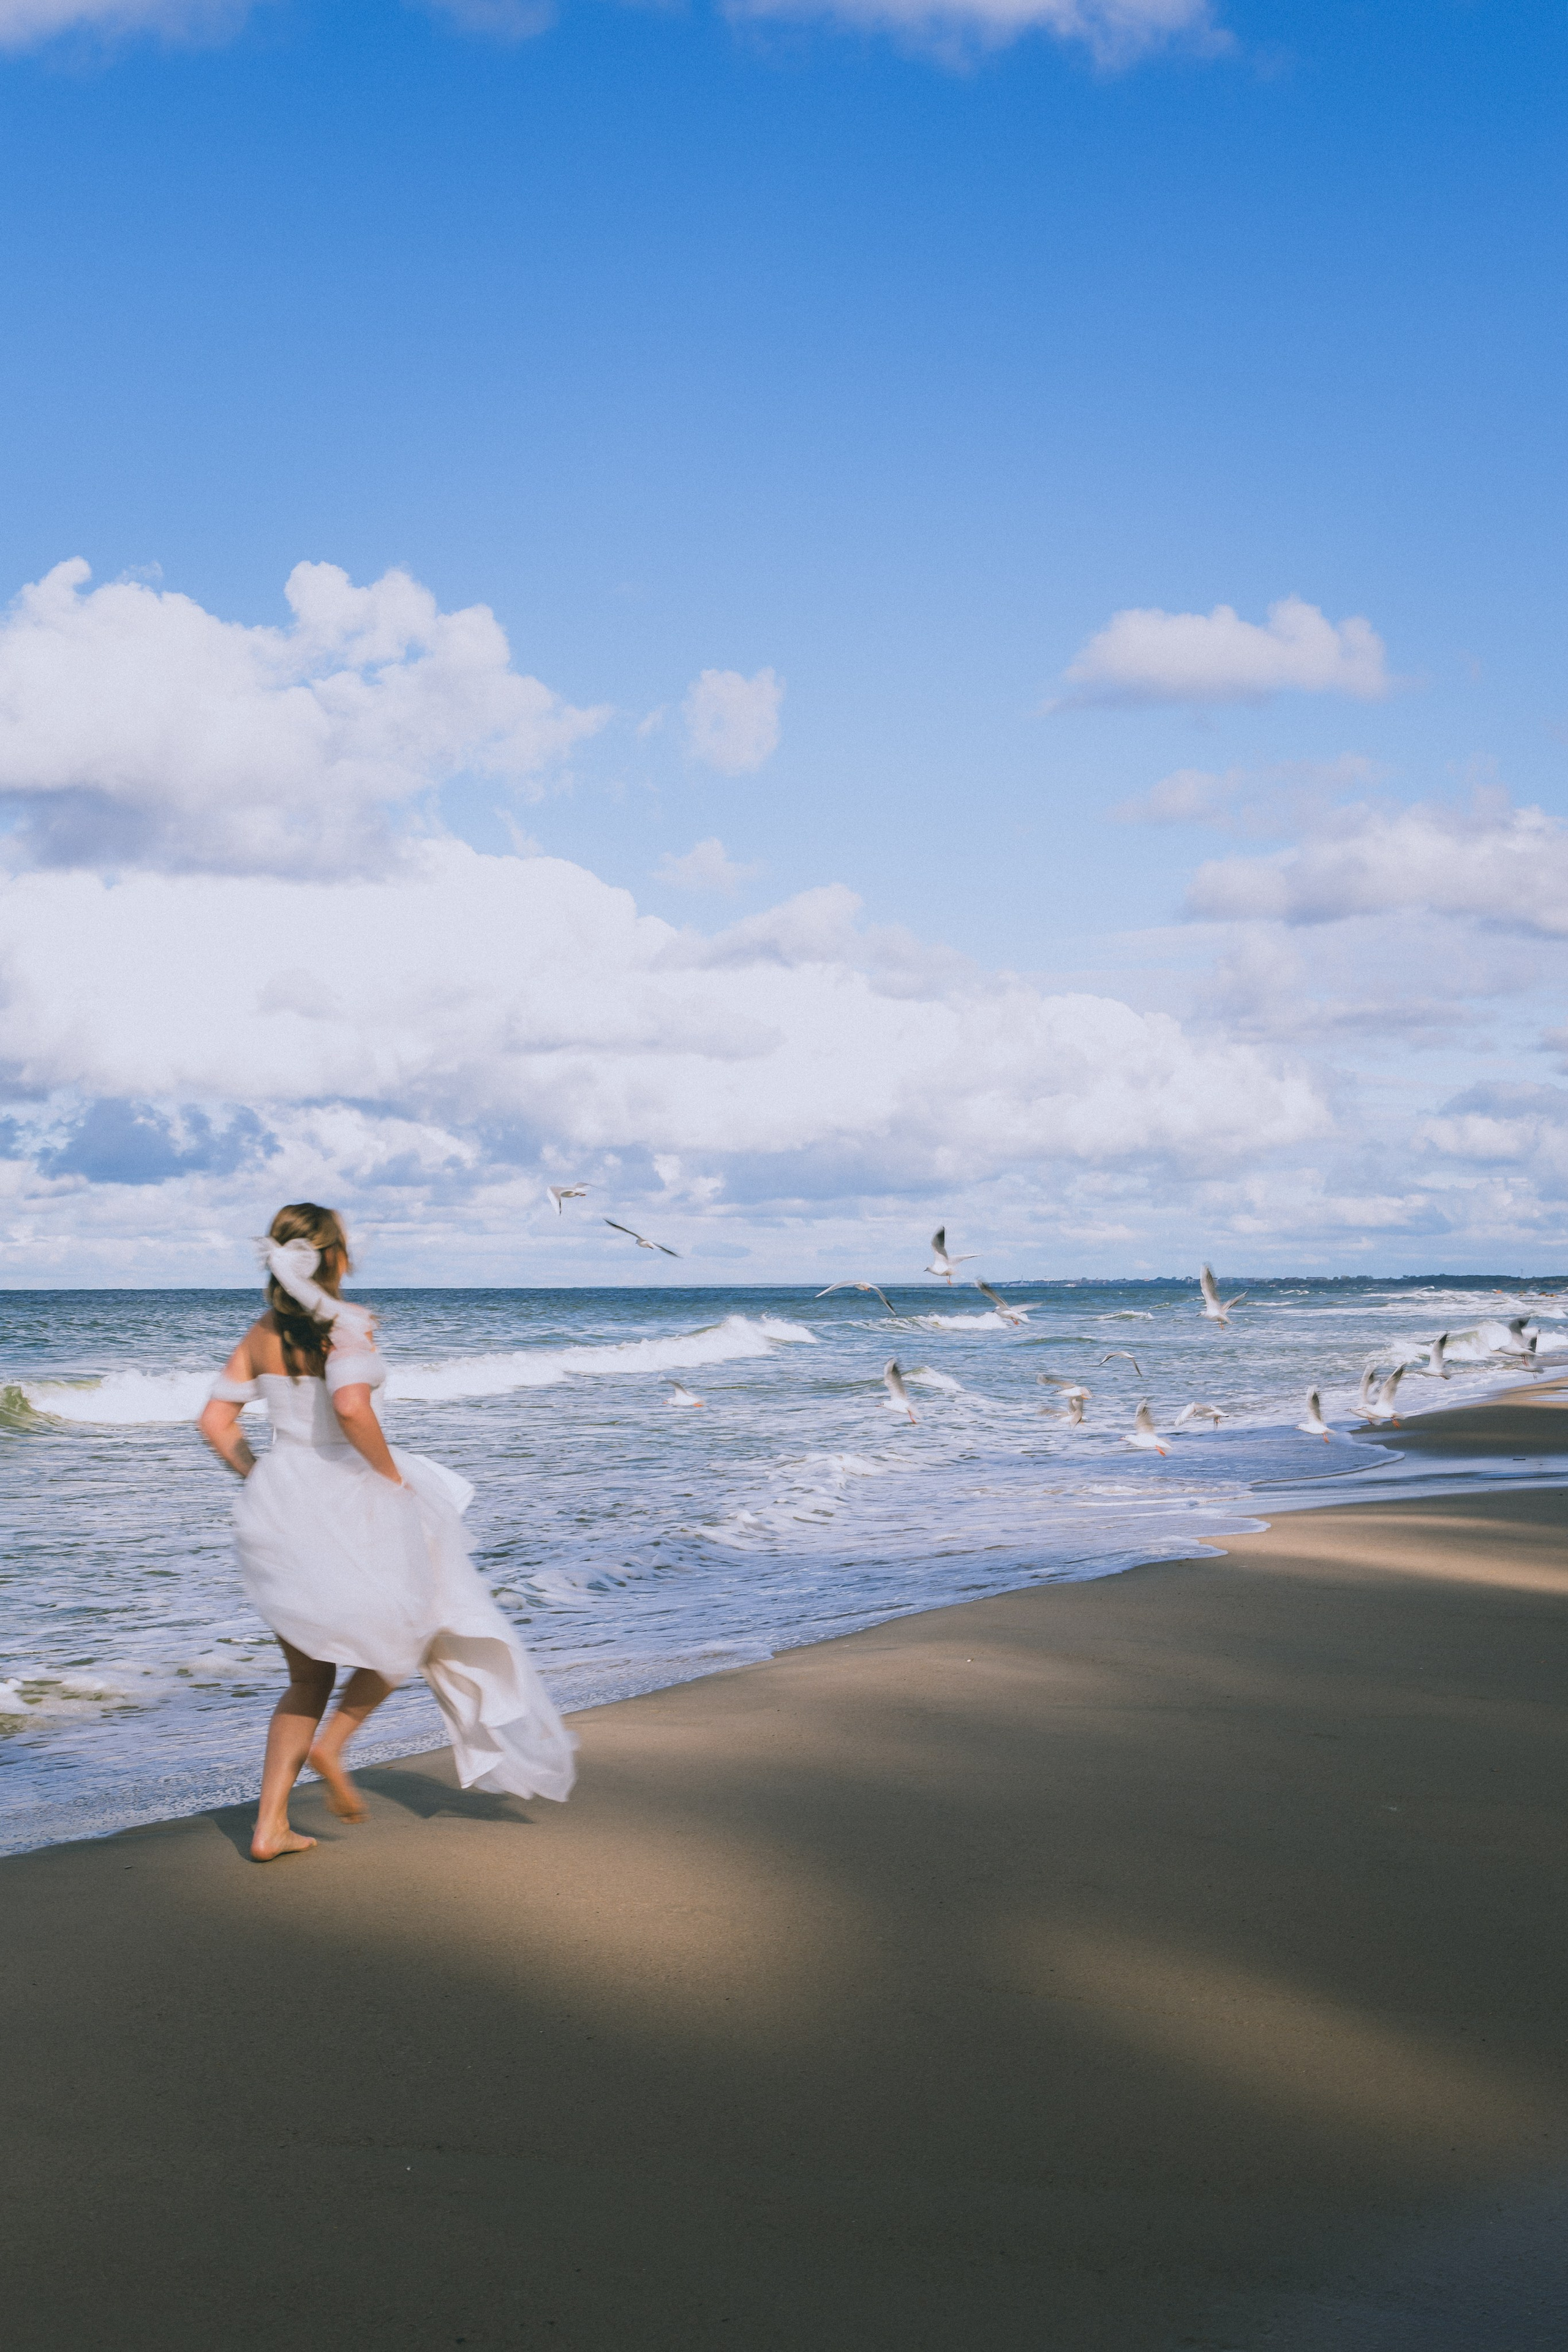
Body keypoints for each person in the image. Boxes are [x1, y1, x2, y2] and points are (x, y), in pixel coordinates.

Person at [198, 1202, 575, 1860]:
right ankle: (333, 1744)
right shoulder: (346, 1326)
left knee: (306, 1677)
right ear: (335, 1257)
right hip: (347, 1495)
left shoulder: (259, 1333)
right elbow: (349, 1407)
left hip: (279, 1504)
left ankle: (269, 1827)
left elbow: (214, 1422)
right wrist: (389, 1477)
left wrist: (260, 1477)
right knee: (418, 1625)